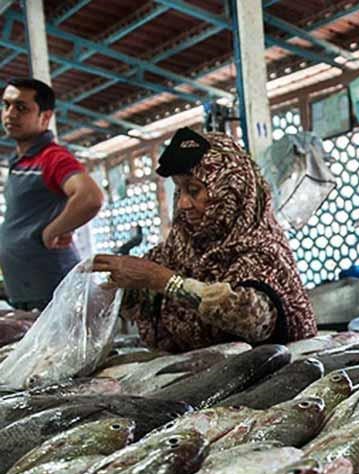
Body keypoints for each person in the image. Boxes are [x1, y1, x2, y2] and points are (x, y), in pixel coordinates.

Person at [92, 128, 317, 352]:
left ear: (230, 189)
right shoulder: (174, 251)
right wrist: (119, 289)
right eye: (179, 191)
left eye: (194, 190)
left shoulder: (263, 251)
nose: (183, 204)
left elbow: (256, 320)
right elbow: (136, 299)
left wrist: (165, 282)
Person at [0, 78, 104, 310]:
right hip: (28, 291)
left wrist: (54, 230)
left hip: (52, 291)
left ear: (45, 117)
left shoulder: (52, 157)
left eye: (21, 107)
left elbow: (90, 197)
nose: (10, 114)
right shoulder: (20, 162)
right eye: (6, 105)